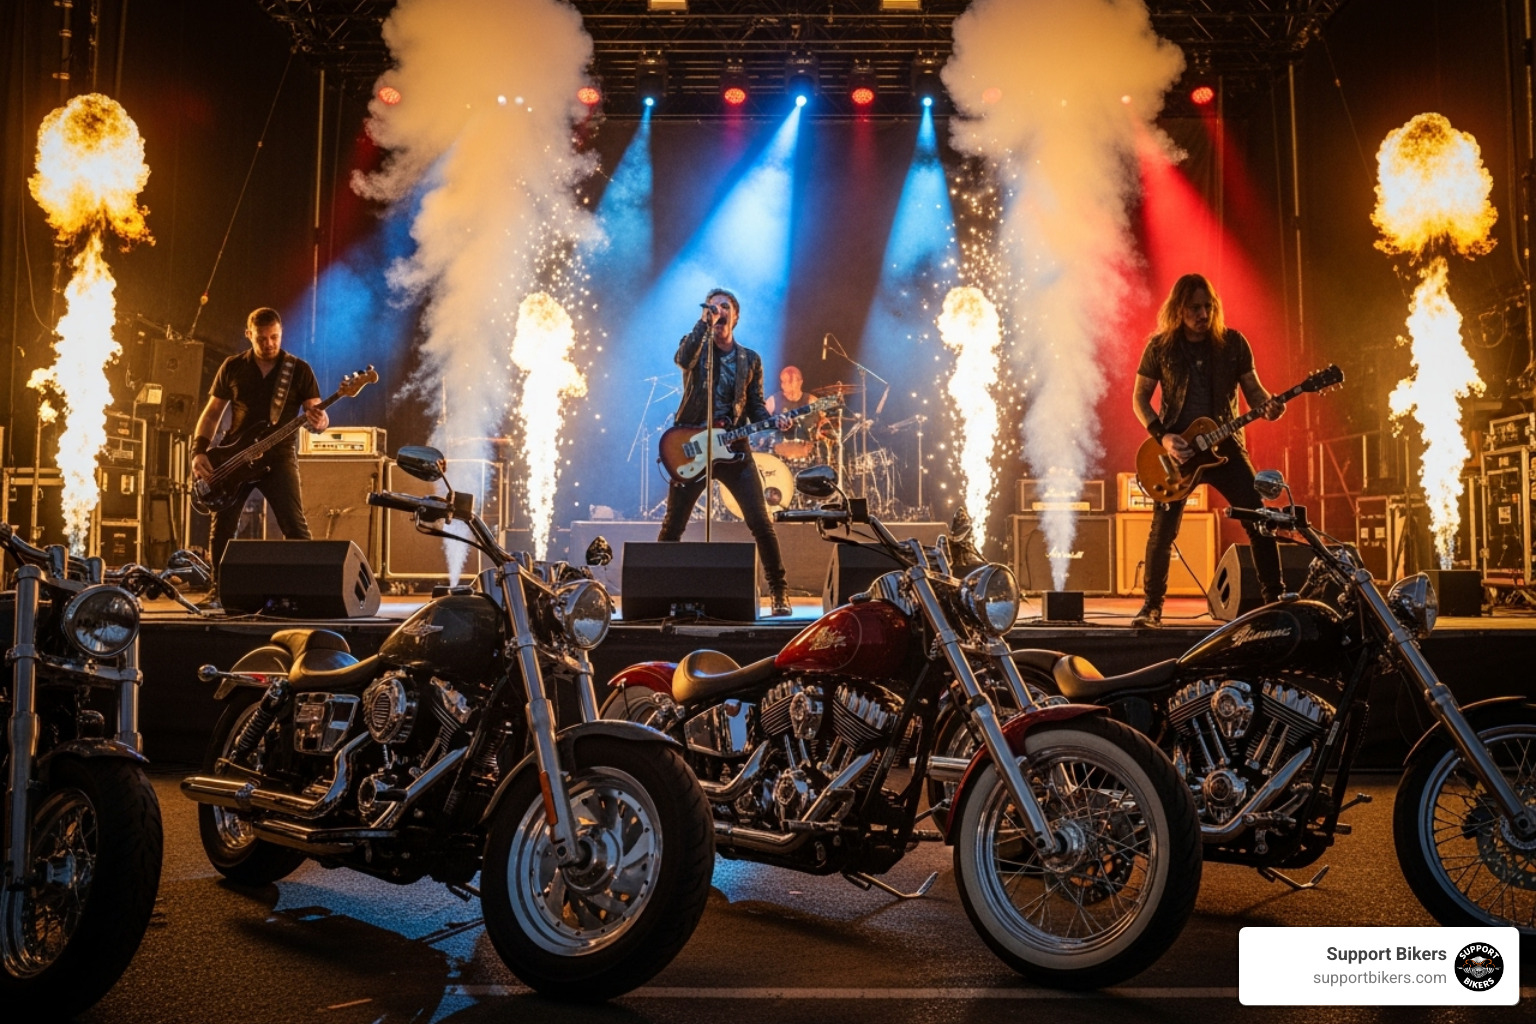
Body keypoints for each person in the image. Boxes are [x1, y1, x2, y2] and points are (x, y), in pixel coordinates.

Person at [1131, 273, 1285, 627]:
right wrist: (1164, 437)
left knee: (1259, 518)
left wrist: (1270, 405)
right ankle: (1151, 608)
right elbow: (1139, 398)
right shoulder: (1160, 347)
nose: (1203, 314)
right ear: (1179, 309)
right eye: (1195, 307)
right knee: (1163, 530)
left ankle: (1275, 603)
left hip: (1225, 445)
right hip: (1178, 452)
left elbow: (1255, 392)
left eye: (1208, 306)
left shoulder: (1233, 343)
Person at [659, 288, 793, 617]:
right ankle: (657, 591)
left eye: (724, 308)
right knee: (673, 525)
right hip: (692, 444)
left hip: (734, 447)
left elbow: (757, 408)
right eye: (713, 308)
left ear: (735, 316)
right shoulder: (696, 347)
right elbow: (682, 359)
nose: (717, 312)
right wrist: (703, 324)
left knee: (761, 522)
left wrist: (777, 422)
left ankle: (778, 591)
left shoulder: (751, 359)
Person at [191, 307, 328, 599]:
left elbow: (317, 413)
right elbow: (212, 412)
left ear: (281, 333)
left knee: (294, 525)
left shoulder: (298, 369)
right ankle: (220, 591)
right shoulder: (232, 366)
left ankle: (311, 592)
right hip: (233, 458)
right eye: (262, 338)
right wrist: (199, 451)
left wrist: (320, 422)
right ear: (248, 335)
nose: (269, 344)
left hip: (278, 458)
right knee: (223, 526)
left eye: (274, 337)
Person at [764, 365, 818, 459]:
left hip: (807, 452)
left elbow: (826, 421)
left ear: (800, 382)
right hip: (779, 452)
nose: (783, 385)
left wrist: (821, 430)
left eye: (788, 382)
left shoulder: (811, 400)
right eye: (782, 382)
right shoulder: (773, 400)